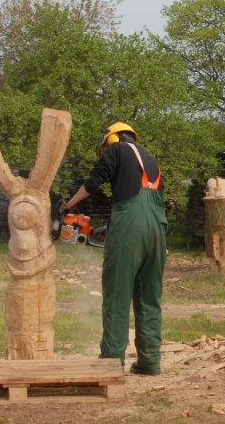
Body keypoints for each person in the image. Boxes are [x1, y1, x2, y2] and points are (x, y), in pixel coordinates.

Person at [62, 122, 167, 376]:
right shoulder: (151, 160)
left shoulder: (117, 149)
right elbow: (142, 199)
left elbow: (94, 181)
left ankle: (110, 361)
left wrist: (68, 206)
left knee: (118, 296)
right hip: (157, 227)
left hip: (129, 225)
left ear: (111, 138)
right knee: (149, 297)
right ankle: (149, 361)